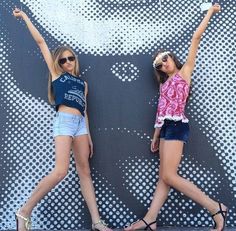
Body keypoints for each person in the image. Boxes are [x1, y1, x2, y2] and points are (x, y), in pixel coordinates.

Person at [125, 3, 227, 231]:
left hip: (178, 127)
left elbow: (196, 38)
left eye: (165, 57)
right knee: (165, 176)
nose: (163, 63)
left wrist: (210, 11)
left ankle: (215, 207)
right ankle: (150, 219)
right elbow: (160, 113)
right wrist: (155, 136)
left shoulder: (184, 72)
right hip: (166, 129)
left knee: (169, 175)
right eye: (158, 63)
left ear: (172, 57)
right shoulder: (163, 85)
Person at [13, 8, 112, 231]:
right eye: (63, 59)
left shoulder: (83, 84)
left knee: (84, 171)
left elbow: (85, 110)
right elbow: (40, 42)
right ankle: (24, 211)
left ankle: (96, 222)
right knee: (60, 171)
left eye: (71, 58)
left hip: (80, 128)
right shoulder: (57, 75)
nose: (68, 61)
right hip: (64, 121)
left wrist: (90, 137)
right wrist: (25, 17)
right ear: (58, 63)